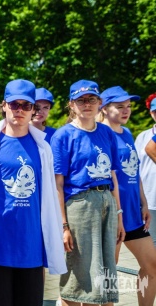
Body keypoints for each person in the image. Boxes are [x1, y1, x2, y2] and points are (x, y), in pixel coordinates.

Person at [0, 79, 66, 306]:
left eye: (26, 105)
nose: (20, 110)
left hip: (30, 245)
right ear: (4, 105)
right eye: (14, 104)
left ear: (33, 109)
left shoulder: (43, 147)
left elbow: (50, 195)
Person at [51, 80, 124, 306]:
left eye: (91, 99)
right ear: (71, 104)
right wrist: (64, 226)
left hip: (107, 201)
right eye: (81, 100)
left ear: (99, 102)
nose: (87, 104)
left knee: (105, 272)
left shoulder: (106, 133)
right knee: (79, 277)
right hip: (80, 205)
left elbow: (113, 176)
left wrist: (119, 215)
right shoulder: (63, 136)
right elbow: (57, 185)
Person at [99, 86, 156, 306]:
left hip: (133, 212)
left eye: (129, 106)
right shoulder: (101, 135)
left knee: (152, 265)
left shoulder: (128, 133)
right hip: (112, 213)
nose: (126, 110)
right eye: (120, 106)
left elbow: (135, 171)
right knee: (108, 271)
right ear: (104, 108)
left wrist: (143, 203)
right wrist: (116, 211)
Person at [137, 93, 156, 244]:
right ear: (151, 112)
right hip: (149, 198)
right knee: (152, 242)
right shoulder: (142, 136)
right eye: (155, 111)